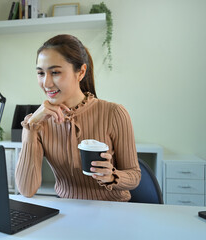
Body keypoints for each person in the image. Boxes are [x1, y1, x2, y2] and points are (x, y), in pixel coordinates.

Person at [15, 34, 141, 201]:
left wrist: (111, 176)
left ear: (81, 72)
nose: (46, 83)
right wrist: (31, 127)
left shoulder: (114, 113)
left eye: (55, 72)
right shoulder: (37, 123)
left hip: (113, 211)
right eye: (40, 73)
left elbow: (134, 176)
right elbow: (26, 190)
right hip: (67, 213)